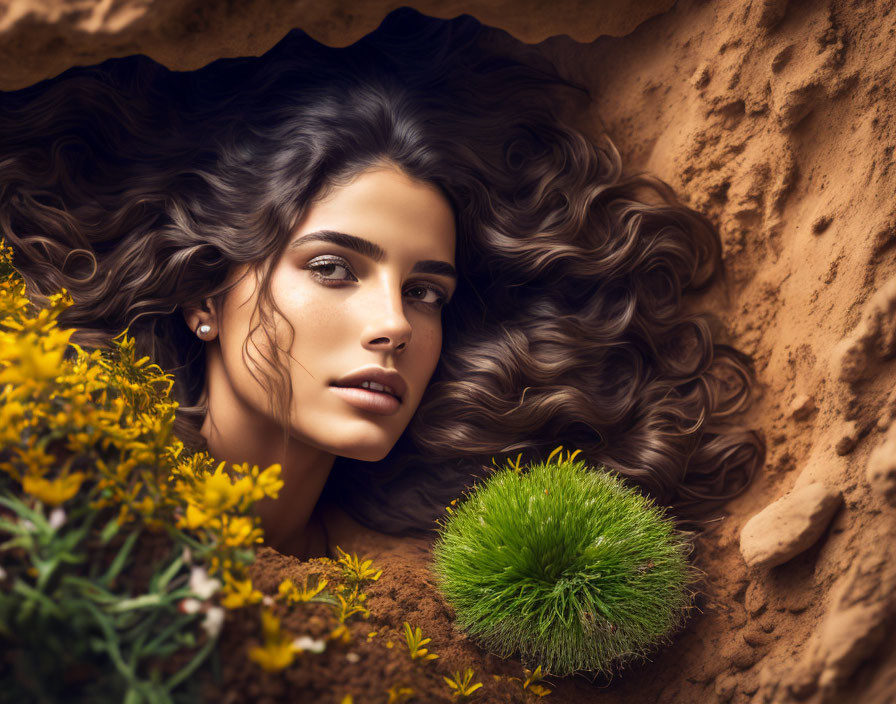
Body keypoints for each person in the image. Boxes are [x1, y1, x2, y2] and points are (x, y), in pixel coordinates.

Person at [0, 10, 764, 559]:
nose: (394, 322)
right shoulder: (63, 511)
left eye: (427, 290)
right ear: (205, 296)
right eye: (333, 268)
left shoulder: (419, 586)